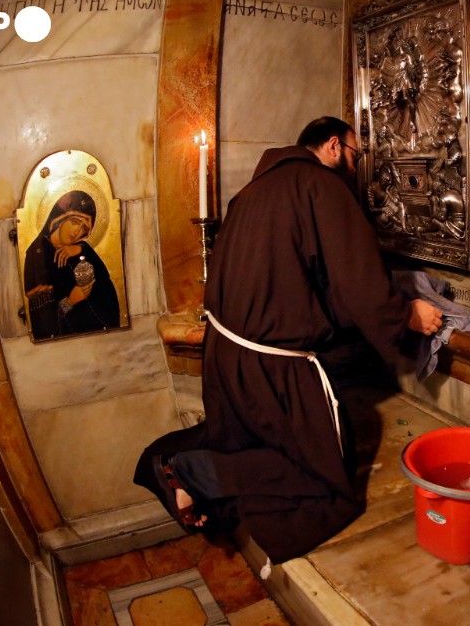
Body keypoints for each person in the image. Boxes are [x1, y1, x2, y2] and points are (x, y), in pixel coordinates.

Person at [134, 117, 443, 568]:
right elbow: (357, 281)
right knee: (326, 479)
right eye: (355, 155)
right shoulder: (321, 186)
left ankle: (180, 466)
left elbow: (298, 279)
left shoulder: (252, 192)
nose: (355, 167)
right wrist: (407, 315)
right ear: (334, 146)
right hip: (271, 364)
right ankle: (192, 471)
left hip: (226, 356)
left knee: (247, 440)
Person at [23, 189, 120, 340]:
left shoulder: (82, 249)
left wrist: (82, 249)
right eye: (75, 222)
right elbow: (43, 323)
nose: (76, 232)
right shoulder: (37, 254)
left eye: (84, 229)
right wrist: (70, 301)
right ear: (59, 218)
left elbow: (107, 291)